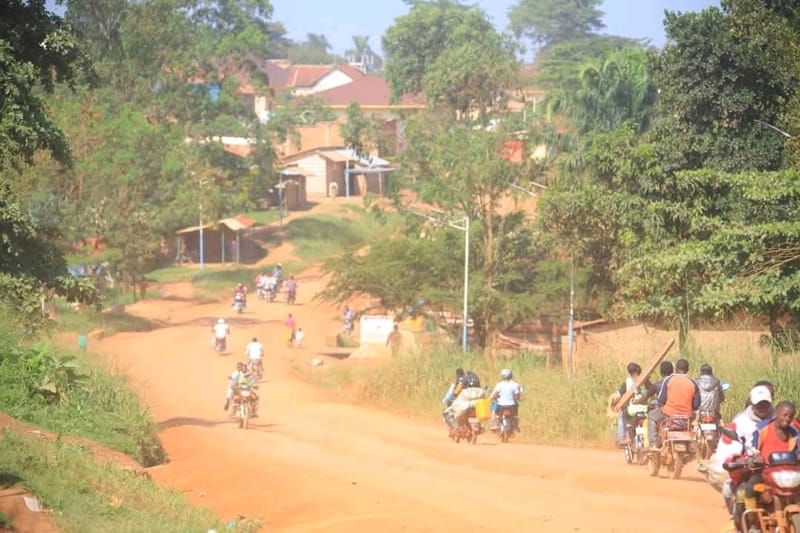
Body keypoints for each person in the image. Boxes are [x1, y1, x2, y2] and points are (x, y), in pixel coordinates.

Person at [699, 385, 775, 522]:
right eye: (759, 404)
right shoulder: (740, 423)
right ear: (752, 403)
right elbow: (727, 450)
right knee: (730, 488)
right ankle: (741, 522)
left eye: (766, 404)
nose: (763, 407)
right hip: (751, 470)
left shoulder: (779, 419)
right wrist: (739, 460)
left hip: (778, 469)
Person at [741, 401, 800, 510]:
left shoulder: (795, 432)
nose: (787, 419)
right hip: (765, 471)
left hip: (789, 473)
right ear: (777, 413)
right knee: (749, 490)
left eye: (791, 416)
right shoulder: (762, 429)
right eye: (784, 415)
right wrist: (755, 457)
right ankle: (752, 519)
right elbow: (750, 447)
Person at [648, 358, 700, 450]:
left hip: (668, 414)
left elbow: (661, 399)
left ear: (675, 369)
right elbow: (696, 405)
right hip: (686, 416)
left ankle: (653, 443)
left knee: (651, 416)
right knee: (695, 422)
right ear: (688, 370)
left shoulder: (668, 380)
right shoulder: (693, 382)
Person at [614, 362, 649, 446]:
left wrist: (613, 401)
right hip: (646, 409)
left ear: (629, 372)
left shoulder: (628, 382)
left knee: (624, 414)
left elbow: (618, 395)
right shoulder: (645, 380)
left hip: (633, 409)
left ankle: (627, 437)